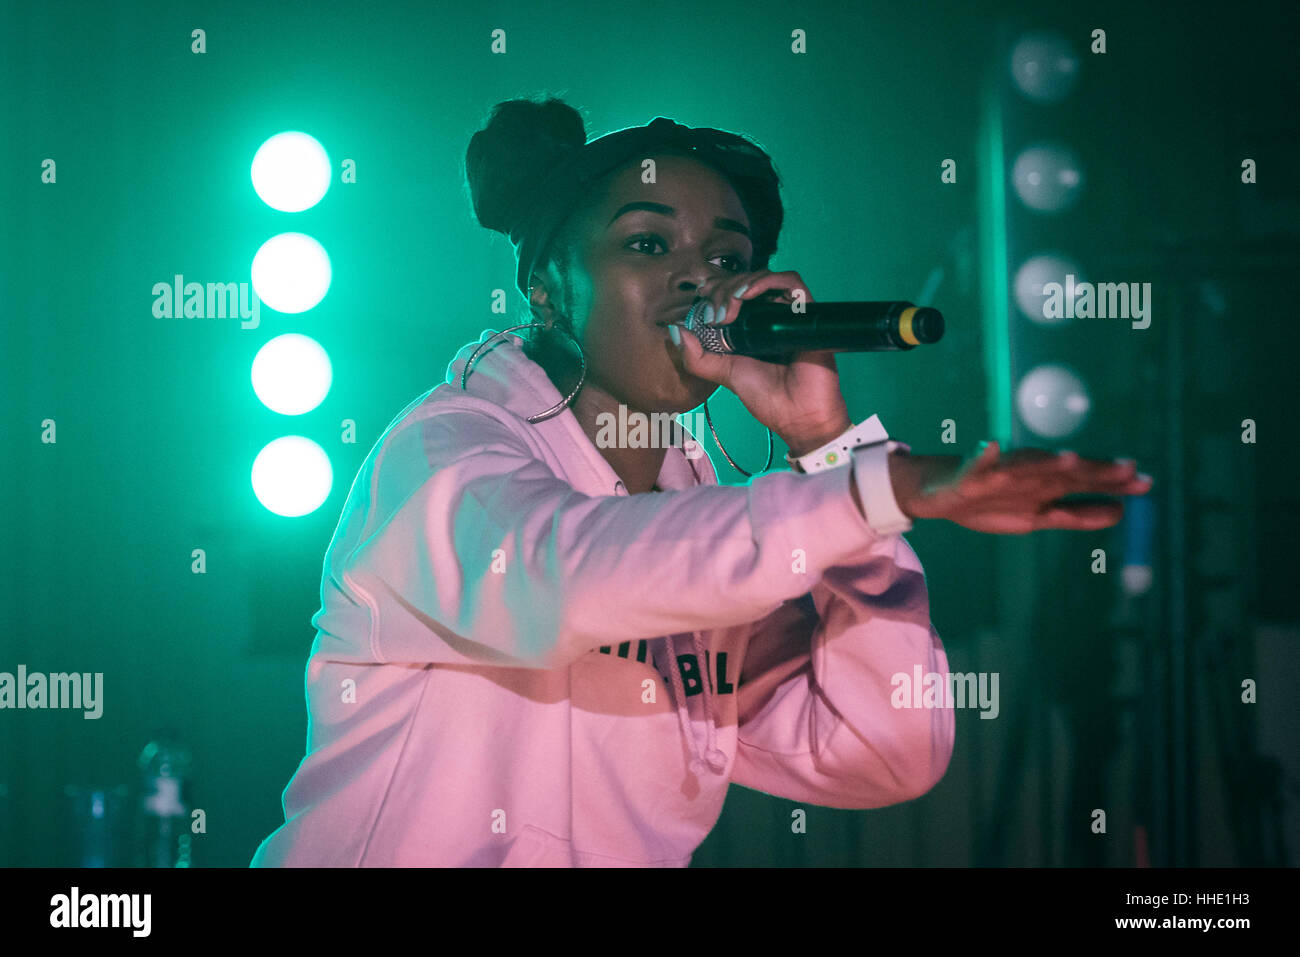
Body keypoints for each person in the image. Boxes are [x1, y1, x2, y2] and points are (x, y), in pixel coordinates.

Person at [250, 97, 1152, 867]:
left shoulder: (705, 529)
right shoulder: (443, 453)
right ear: (548, 291)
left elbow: (887, 750)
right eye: (647, 242)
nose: (698, 276)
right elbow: (568, 572)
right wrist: (882, 488)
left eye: (729, 258)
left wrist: (827, 445)